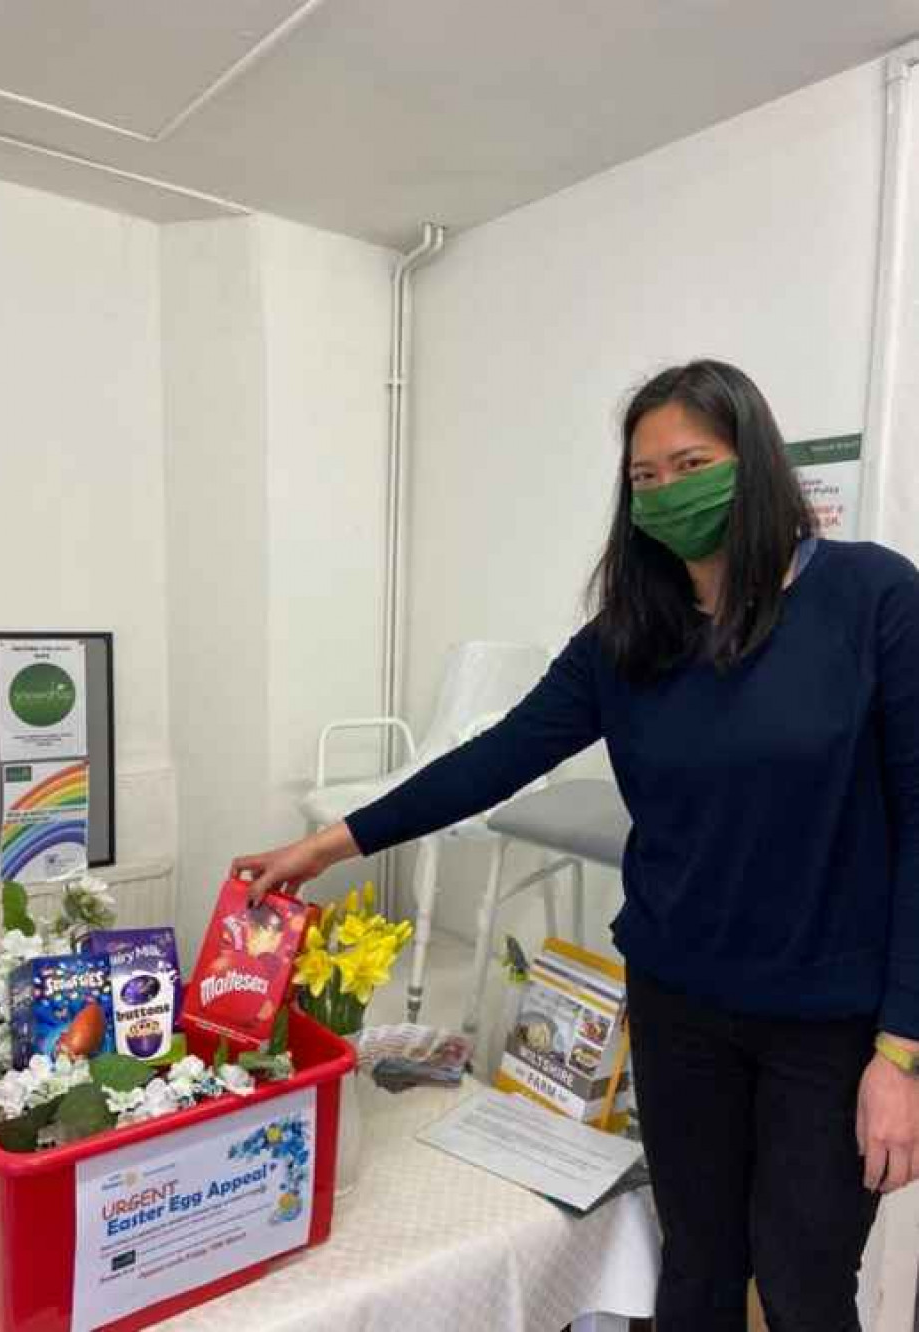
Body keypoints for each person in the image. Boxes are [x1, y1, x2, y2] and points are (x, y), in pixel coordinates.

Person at [231, 359, 919, 1331]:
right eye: (646, 478)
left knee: (805, 1285)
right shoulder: (626, 638)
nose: (670, 491)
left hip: (830, 1025)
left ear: (754, 462)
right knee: (694, 1270)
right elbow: (497, 757)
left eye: (693, 462)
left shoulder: (871, 597)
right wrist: (329, 845)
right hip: (678, 1001)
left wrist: (903, 1052)